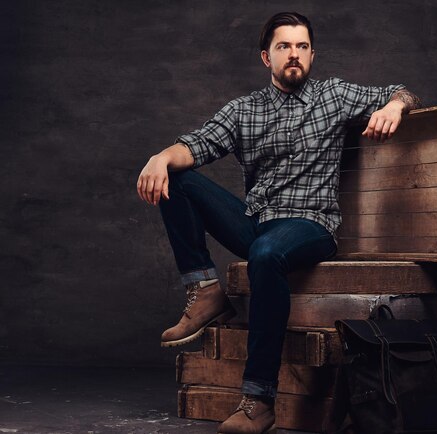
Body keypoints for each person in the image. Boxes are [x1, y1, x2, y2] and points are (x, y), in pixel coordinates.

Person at [137, 11, 421, 434]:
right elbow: (195, 145)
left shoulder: (334, 95)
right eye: (284, 46)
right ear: (266, 58)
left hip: (311, 226)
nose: (294, 55)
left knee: (266, 256)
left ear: (312, 54)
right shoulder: (244, 111)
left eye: (302, 47)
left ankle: (258, 400)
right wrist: (160, 158)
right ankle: (206, 289)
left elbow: (402, 91)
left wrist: (396, 105)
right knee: (177, 177)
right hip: (256, 223)